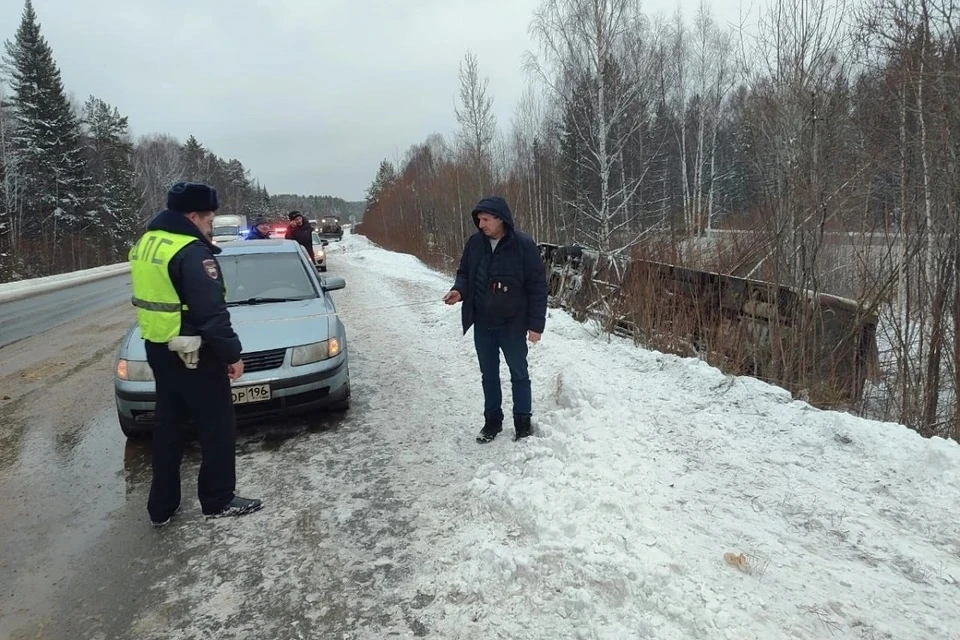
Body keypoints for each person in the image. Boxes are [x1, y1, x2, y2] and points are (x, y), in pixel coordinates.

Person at [128, 182, 263, 527]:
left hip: (158, 348)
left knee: (168, 427)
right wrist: (232, 354)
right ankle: (218, 499)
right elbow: (211, 313)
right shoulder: (191, 252)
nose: (211, 226)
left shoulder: (147, 244)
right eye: (209, 219)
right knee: (217, 426)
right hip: (193, 353)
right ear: (192, 215)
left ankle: (162, 506)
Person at [443, 196, 548, 443]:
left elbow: (537, 286)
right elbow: (465, 274)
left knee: (519, 374)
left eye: (486, 219)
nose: (481, 225)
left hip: (513, 324)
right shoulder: (475, 244)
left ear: (501, 219)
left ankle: (523, 423)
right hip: (483, 324)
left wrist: (536, 325)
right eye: (479, 219)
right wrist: (459, 291)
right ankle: (492, 422)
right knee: (488, 375)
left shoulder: (523, 245)